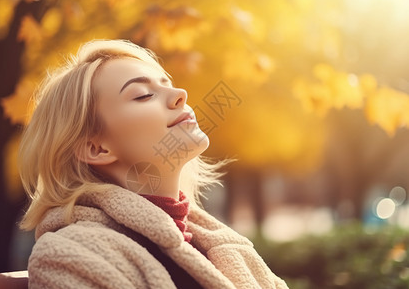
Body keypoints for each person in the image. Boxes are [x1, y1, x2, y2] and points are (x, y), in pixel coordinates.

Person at [19, 39, 288, 289]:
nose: (180, 94)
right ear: (96, 148)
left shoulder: (230, 247)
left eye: (167, 84)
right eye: (143, 95)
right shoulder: (71, 255)